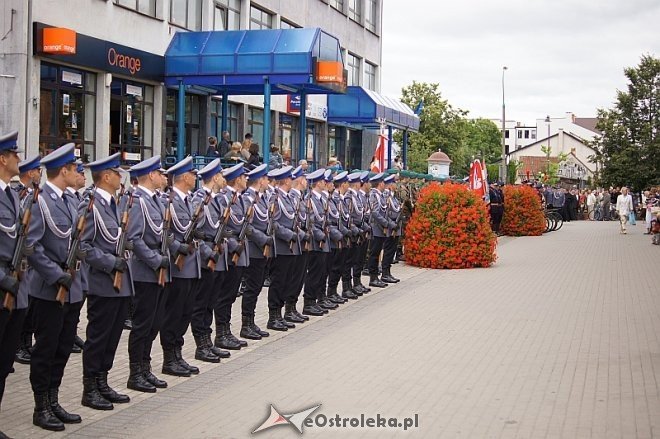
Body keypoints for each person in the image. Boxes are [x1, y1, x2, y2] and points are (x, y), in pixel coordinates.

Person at [79, 153, 133, 411]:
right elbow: (83, 246)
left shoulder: (115, 203)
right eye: (117, 172)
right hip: (103, 282)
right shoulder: (91, 205)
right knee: (98, 337)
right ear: (106, 176)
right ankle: (89, 388)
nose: (121, 176)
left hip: (121, 283)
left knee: (112, 337)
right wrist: (111, 263)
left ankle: (103, 381)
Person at [125, 156, 171, 393]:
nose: (164, 177)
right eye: (160, 173)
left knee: (155, 323)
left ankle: (145, 367)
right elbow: (133, 239)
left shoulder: (156, 201)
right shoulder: (137, 201)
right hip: (145, 272)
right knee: (142, 325)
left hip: (160, 270)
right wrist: (155, 260)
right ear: (151, 175)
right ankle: (135, 372)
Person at [160, 156, 201, 378]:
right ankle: (169, 357)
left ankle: (177, 354)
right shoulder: (171, 201)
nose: (195, 178)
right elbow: (166, 234)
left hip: (191, 265)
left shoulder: (187, 200)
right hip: (179, 265)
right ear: (184, 177)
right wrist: (178, 248)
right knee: (174, 313)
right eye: (193, 174)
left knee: (185, 312)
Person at [0, 131, 27, 438]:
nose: (19, 159)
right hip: (2, 286)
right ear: (2, 159)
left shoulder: (11, 193)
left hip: (14, 290)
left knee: (4, 362)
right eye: (14, 154)